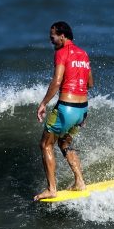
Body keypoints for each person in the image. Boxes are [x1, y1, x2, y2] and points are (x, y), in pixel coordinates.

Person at [34, 21, 94, 201]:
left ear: (62, 36)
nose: (51, 41)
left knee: (45, 145)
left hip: (66, 109)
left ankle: (52, 189)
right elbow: (90, 83)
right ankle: (79, 181)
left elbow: (57, 81)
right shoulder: (83, 54)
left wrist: (43, 103)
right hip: (82, 109)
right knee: (64, 143)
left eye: (52, 37)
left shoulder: (61, 53)